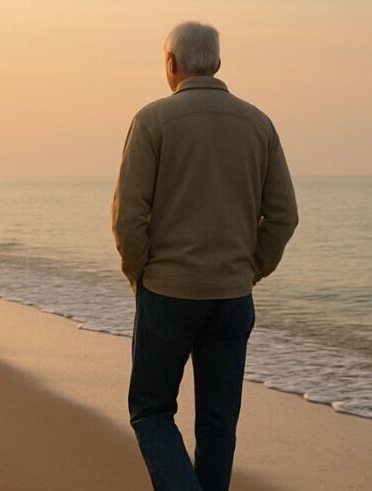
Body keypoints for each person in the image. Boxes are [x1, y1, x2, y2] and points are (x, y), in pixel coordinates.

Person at [111, 21, 299, 491]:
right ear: (216, 63)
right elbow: (283, 216)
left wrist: (140, 275)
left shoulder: (153, 120)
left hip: (168, 292)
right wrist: (251, 269)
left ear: (171, 64)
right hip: (232, 296)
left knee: (152, 411)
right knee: (218, 426)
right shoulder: (259, 123)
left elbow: (127, 216)